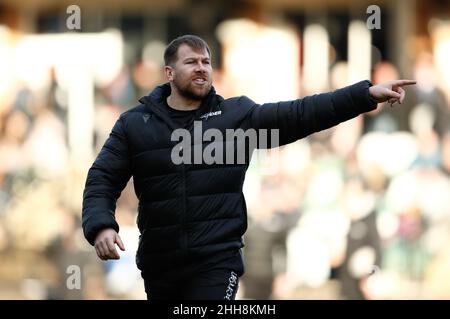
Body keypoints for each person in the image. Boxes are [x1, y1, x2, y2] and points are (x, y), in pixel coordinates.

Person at [82, 34, 416, 300]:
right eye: (191, 62)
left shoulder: (235, 118)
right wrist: (101, 226)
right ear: (169, 73)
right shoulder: (135, 124)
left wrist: (365, 95)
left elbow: (300, 114)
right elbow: (102, 177)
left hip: (217, 261)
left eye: (206, 62)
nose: (201, 68)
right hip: (160, 264)